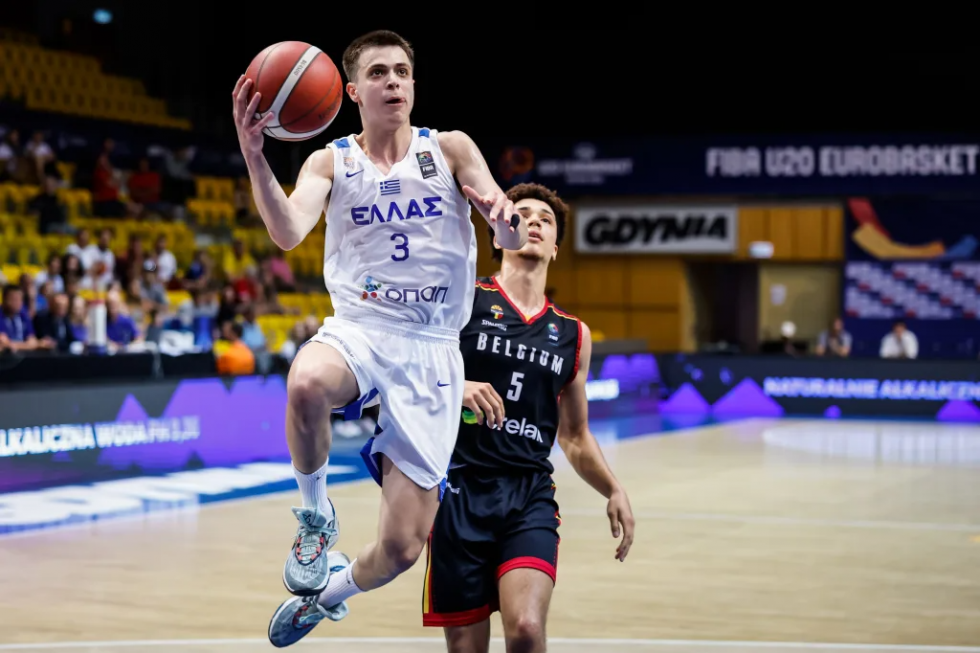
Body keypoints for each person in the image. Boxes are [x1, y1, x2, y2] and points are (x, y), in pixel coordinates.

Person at [234, 30, 528, 648]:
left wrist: (504, 223)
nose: (392, 81)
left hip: (432, 346)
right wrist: (256, 155)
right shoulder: (330, 161)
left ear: (413, 85)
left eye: (401, 72)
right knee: (307, 382)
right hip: (361, 327)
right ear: (351, 92)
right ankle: (315, 517)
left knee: (401, 548)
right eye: (377, 73)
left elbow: (507, 232)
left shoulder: (450, 148)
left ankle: (327, 596)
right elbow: (287, 231)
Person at [423, 182, 635, 653]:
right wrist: (456, 387)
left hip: (528, 494)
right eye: (521, 215)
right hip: (457, 490)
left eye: (546, 219)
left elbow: (574, 435)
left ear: (556, 247)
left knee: (525, 628)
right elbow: (405, 377)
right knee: (466, 648)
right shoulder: (461, 301)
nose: (534, 221)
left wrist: (613, 488)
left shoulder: (574, 335)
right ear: (499, 236)